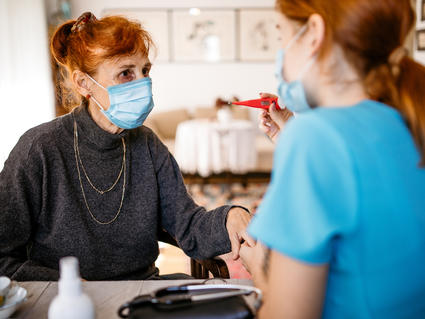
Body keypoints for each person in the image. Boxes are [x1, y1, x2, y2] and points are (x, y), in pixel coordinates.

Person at [0, 12, 254, 281]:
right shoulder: (39, 149)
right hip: (63, 299)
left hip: (141, 292)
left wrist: (230, 216)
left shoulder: (148, 145)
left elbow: (188, 224)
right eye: (125, 73)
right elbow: (4, 257)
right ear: (84, 83)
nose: (142, 83)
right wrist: (68, 286)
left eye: (145, 70)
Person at [240, 0, 425, 318]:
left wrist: (260, 273)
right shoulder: (408, 119)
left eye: (281, 36)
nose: (281, 54)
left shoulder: (316, 139)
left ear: (314, 33)